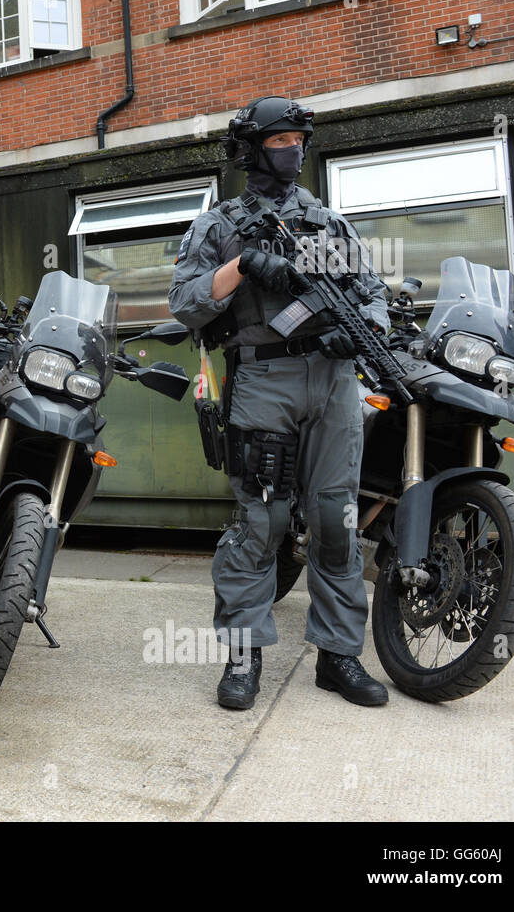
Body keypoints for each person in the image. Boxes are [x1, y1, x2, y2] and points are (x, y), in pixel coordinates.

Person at [169, 97, 391, 710]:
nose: (292, 150)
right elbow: (186, 301)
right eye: (279, 140)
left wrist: (361, 327)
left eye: (299, 139)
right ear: (250, 149)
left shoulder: (328, 222)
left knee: (336, 522)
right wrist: (242, 265)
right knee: (261, 523)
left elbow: (372, 293)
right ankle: (244, 657)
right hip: (263, 379)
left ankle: (338, 657)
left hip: (336, 382)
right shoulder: (221, 223)